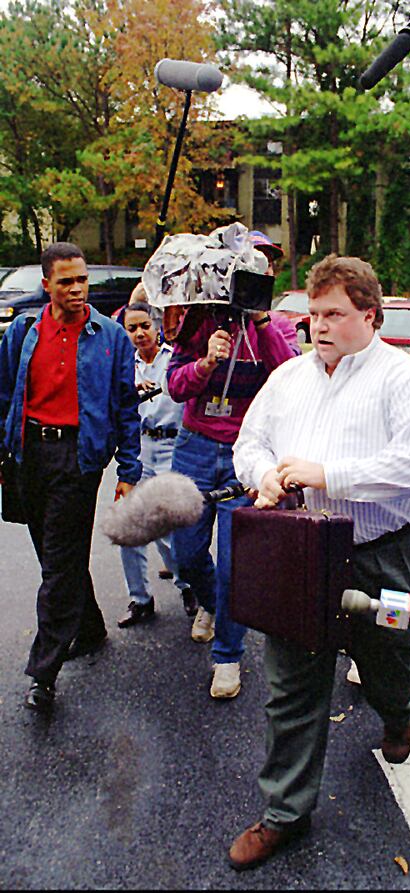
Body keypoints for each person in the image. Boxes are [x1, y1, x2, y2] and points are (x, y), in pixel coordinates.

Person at [228, 254, 410, 870]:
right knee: (291, 686)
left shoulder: (404, 378)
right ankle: (283, 812)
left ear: (370, 316)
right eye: (313, 314)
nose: (319, 326)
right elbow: (251, 442)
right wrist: (266, 474)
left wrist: (332, 475)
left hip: (384, 557)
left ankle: (397, 715)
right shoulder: (289, 378)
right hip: (301, 555)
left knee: (391, 658)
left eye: (334, 314)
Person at [0, 241, 142, 713]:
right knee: (54, 556)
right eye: (67, 281)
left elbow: (126, 406)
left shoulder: (112, 337)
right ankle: (90, 627)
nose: (78, 289)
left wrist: (129, 468)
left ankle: (44, 671)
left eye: (82, 280)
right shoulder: (22, 332)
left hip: (79, 459)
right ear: (47, 286)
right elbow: (4, 396)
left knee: (59, 563)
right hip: (28, 454)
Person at [166, 230, 300, 699]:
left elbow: (290, 380)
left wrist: (261, 323)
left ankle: (228, 656)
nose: (257, 271)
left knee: (233, 566)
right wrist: (204, 363)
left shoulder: (277, 326)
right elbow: (175, 386)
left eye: (265, 265)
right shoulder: (200, 321)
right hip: (196, 446)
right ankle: (208, 602)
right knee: (185, 554)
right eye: (249, 264)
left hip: (248, 453)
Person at [117, 301, 193, 627]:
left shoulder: (172, 358)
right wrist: (129, 391)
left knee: (168, 528)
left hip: (172, 447)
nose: (139, 334)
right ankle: (140, 599)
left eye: (144, 326)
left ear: (156, 326)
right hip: (139, 449)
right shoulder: (124, 366)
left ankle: (189, 585)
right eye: (131, 328)